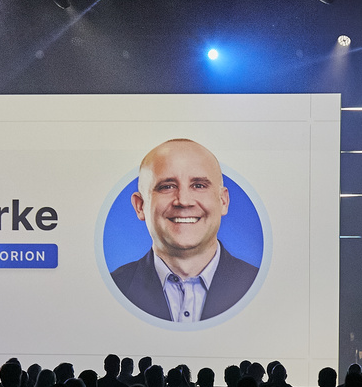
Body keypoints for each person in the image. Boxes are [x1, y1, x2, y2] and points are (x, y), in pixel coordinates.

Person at [110, 138, 259, 322]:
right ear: (140, 206)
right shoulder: (111, 289)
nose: (183, 200)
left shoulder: (261, 286)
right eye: (167, 186)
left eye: (198, 185)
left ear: (223, 201)